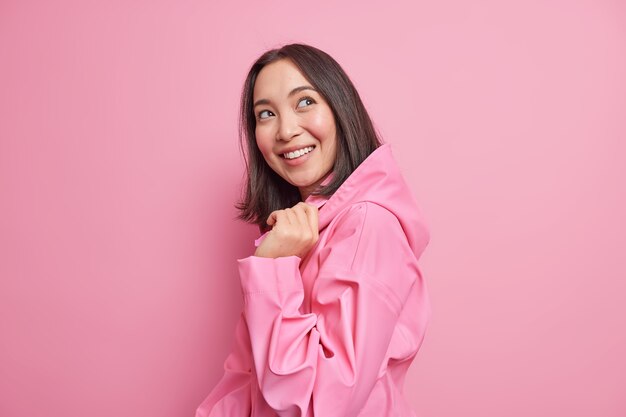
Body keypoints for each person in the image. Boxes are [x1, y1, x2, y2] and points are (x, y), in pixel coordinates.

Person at [196, 43, 431, 417]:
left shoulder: (367, 225)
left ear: (340, 109)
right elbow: (246, 380)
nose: (286, 130)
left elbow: (322, 405)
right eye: (266, 114)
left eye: (304, 102)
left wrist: (273, 270)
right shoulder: (300, 231)